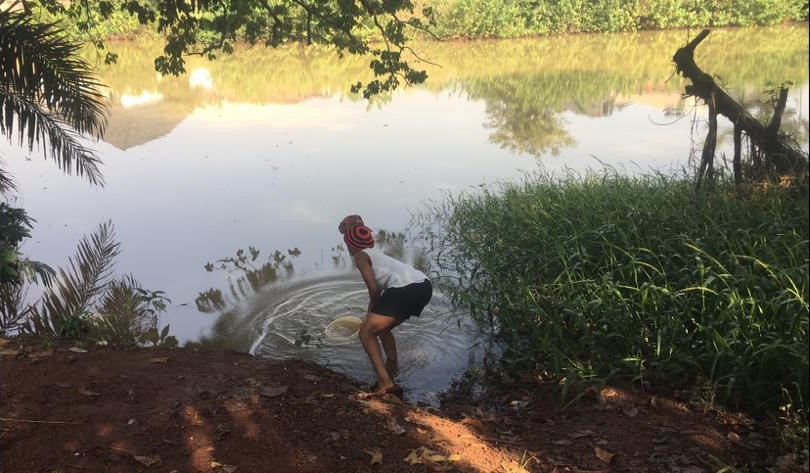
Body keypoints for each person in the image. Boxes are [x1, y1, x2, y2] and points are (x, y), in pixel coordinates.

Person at [343, 224, 432, 397]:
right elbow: (379, 289)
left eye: (347, 244)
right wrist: (374, 311)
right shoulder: (374, 254)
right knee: (382, 329)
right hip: (424, 285)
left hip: (405, 289)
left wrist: (370, 314)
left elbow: (374, 288)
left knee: (366, 333)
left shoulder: (360, 256)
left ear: (350, 245)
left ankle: (385, 383)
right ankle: (392, 365)